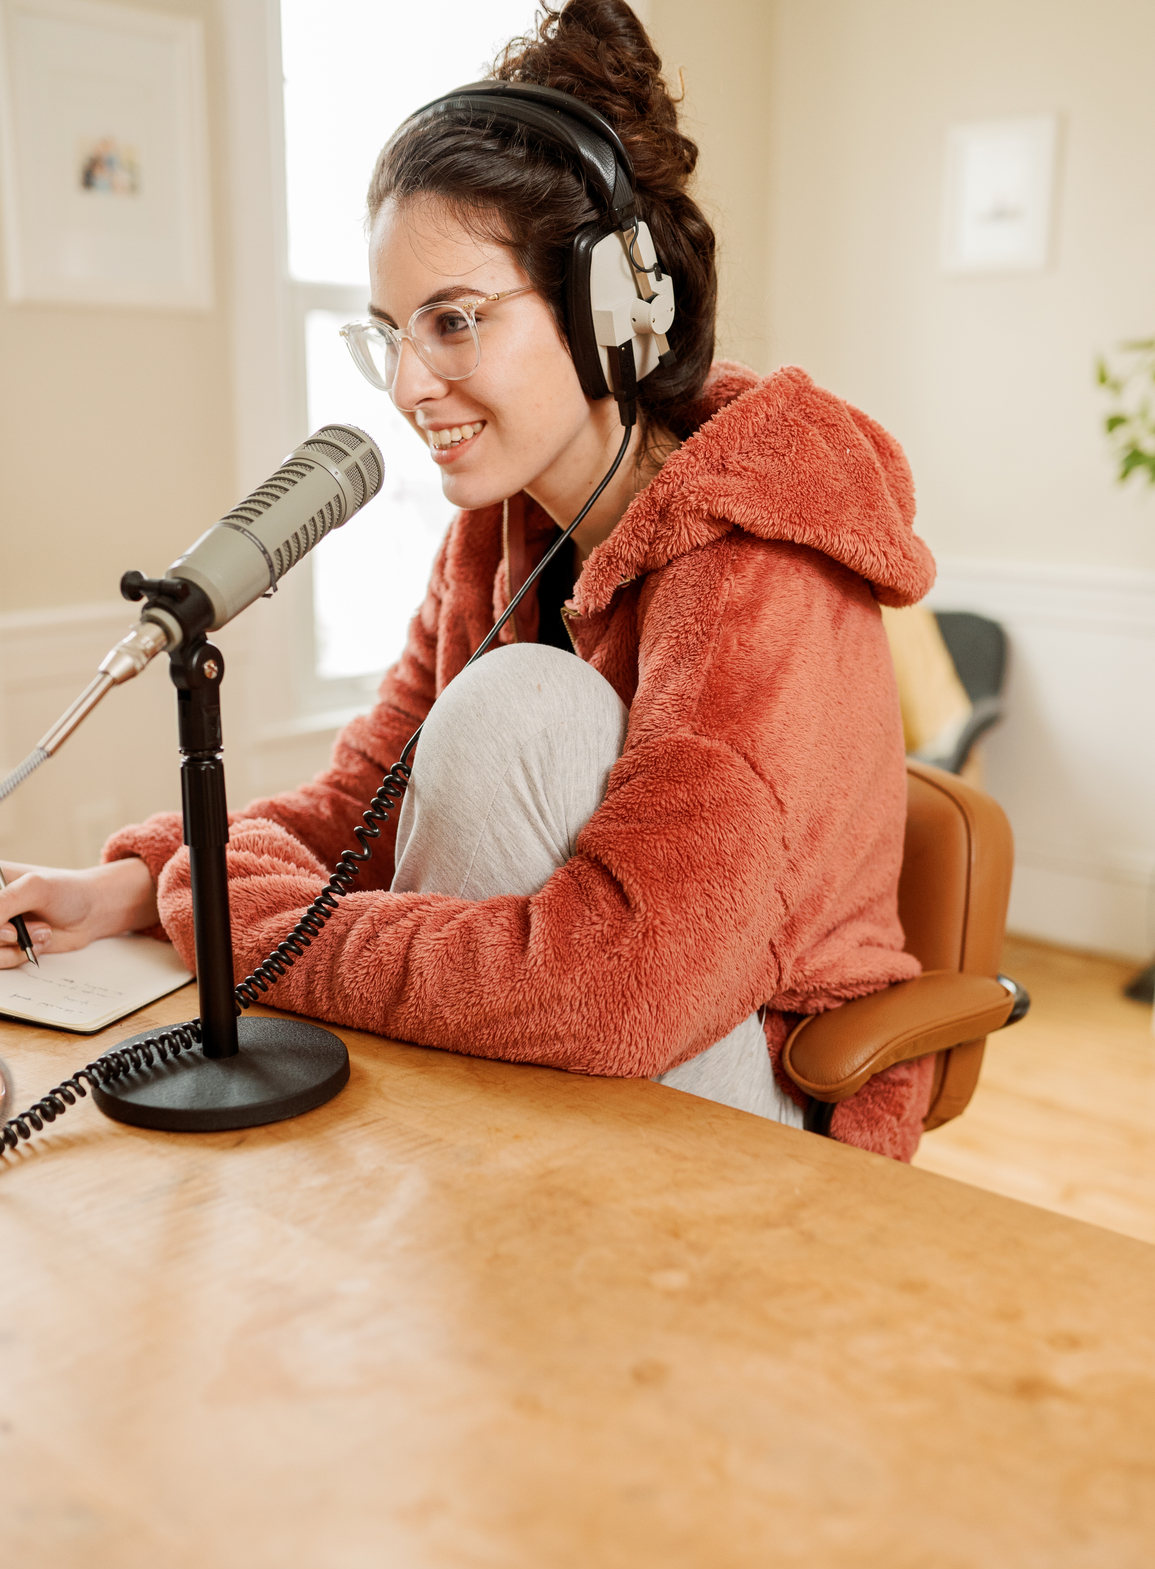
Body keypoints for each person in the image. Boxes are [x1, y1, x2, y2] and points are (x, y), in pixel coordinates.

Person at [0, 0, 937, 1159]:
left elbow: (626, 981)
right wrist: (136, 882)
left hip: (761, 1086)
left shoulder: (754, 564)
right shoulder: (502, 532)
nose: (405, 384)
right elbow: (365, 807)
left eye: (453, 321)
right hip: (594, 1050)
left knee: (514, 705)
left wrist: (238, 920)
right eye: (389, 331)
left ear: (609, 313)